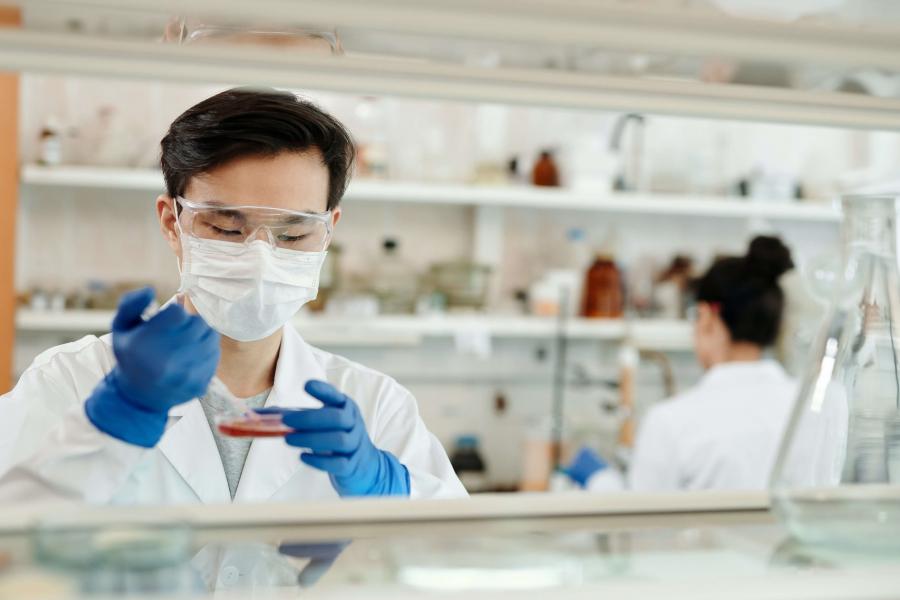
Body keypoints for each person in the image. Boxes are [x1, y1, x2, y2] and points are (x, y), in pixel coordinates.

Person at [0, 88, 466, 504]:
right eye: (226, 227)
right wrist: (111, 427)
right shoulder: (73, 380)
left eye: (293, 234)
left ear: (328, 232)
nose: (259, 259)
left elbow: (461, 560)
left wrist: (392, 488)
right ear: (171, 222)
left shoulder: (375, 405)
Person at [564, 236, 798, 492]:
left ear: (707, 317)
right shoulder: (823, 407)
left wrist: (600, 480)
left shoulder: (671, 421)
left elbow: (642, 522)